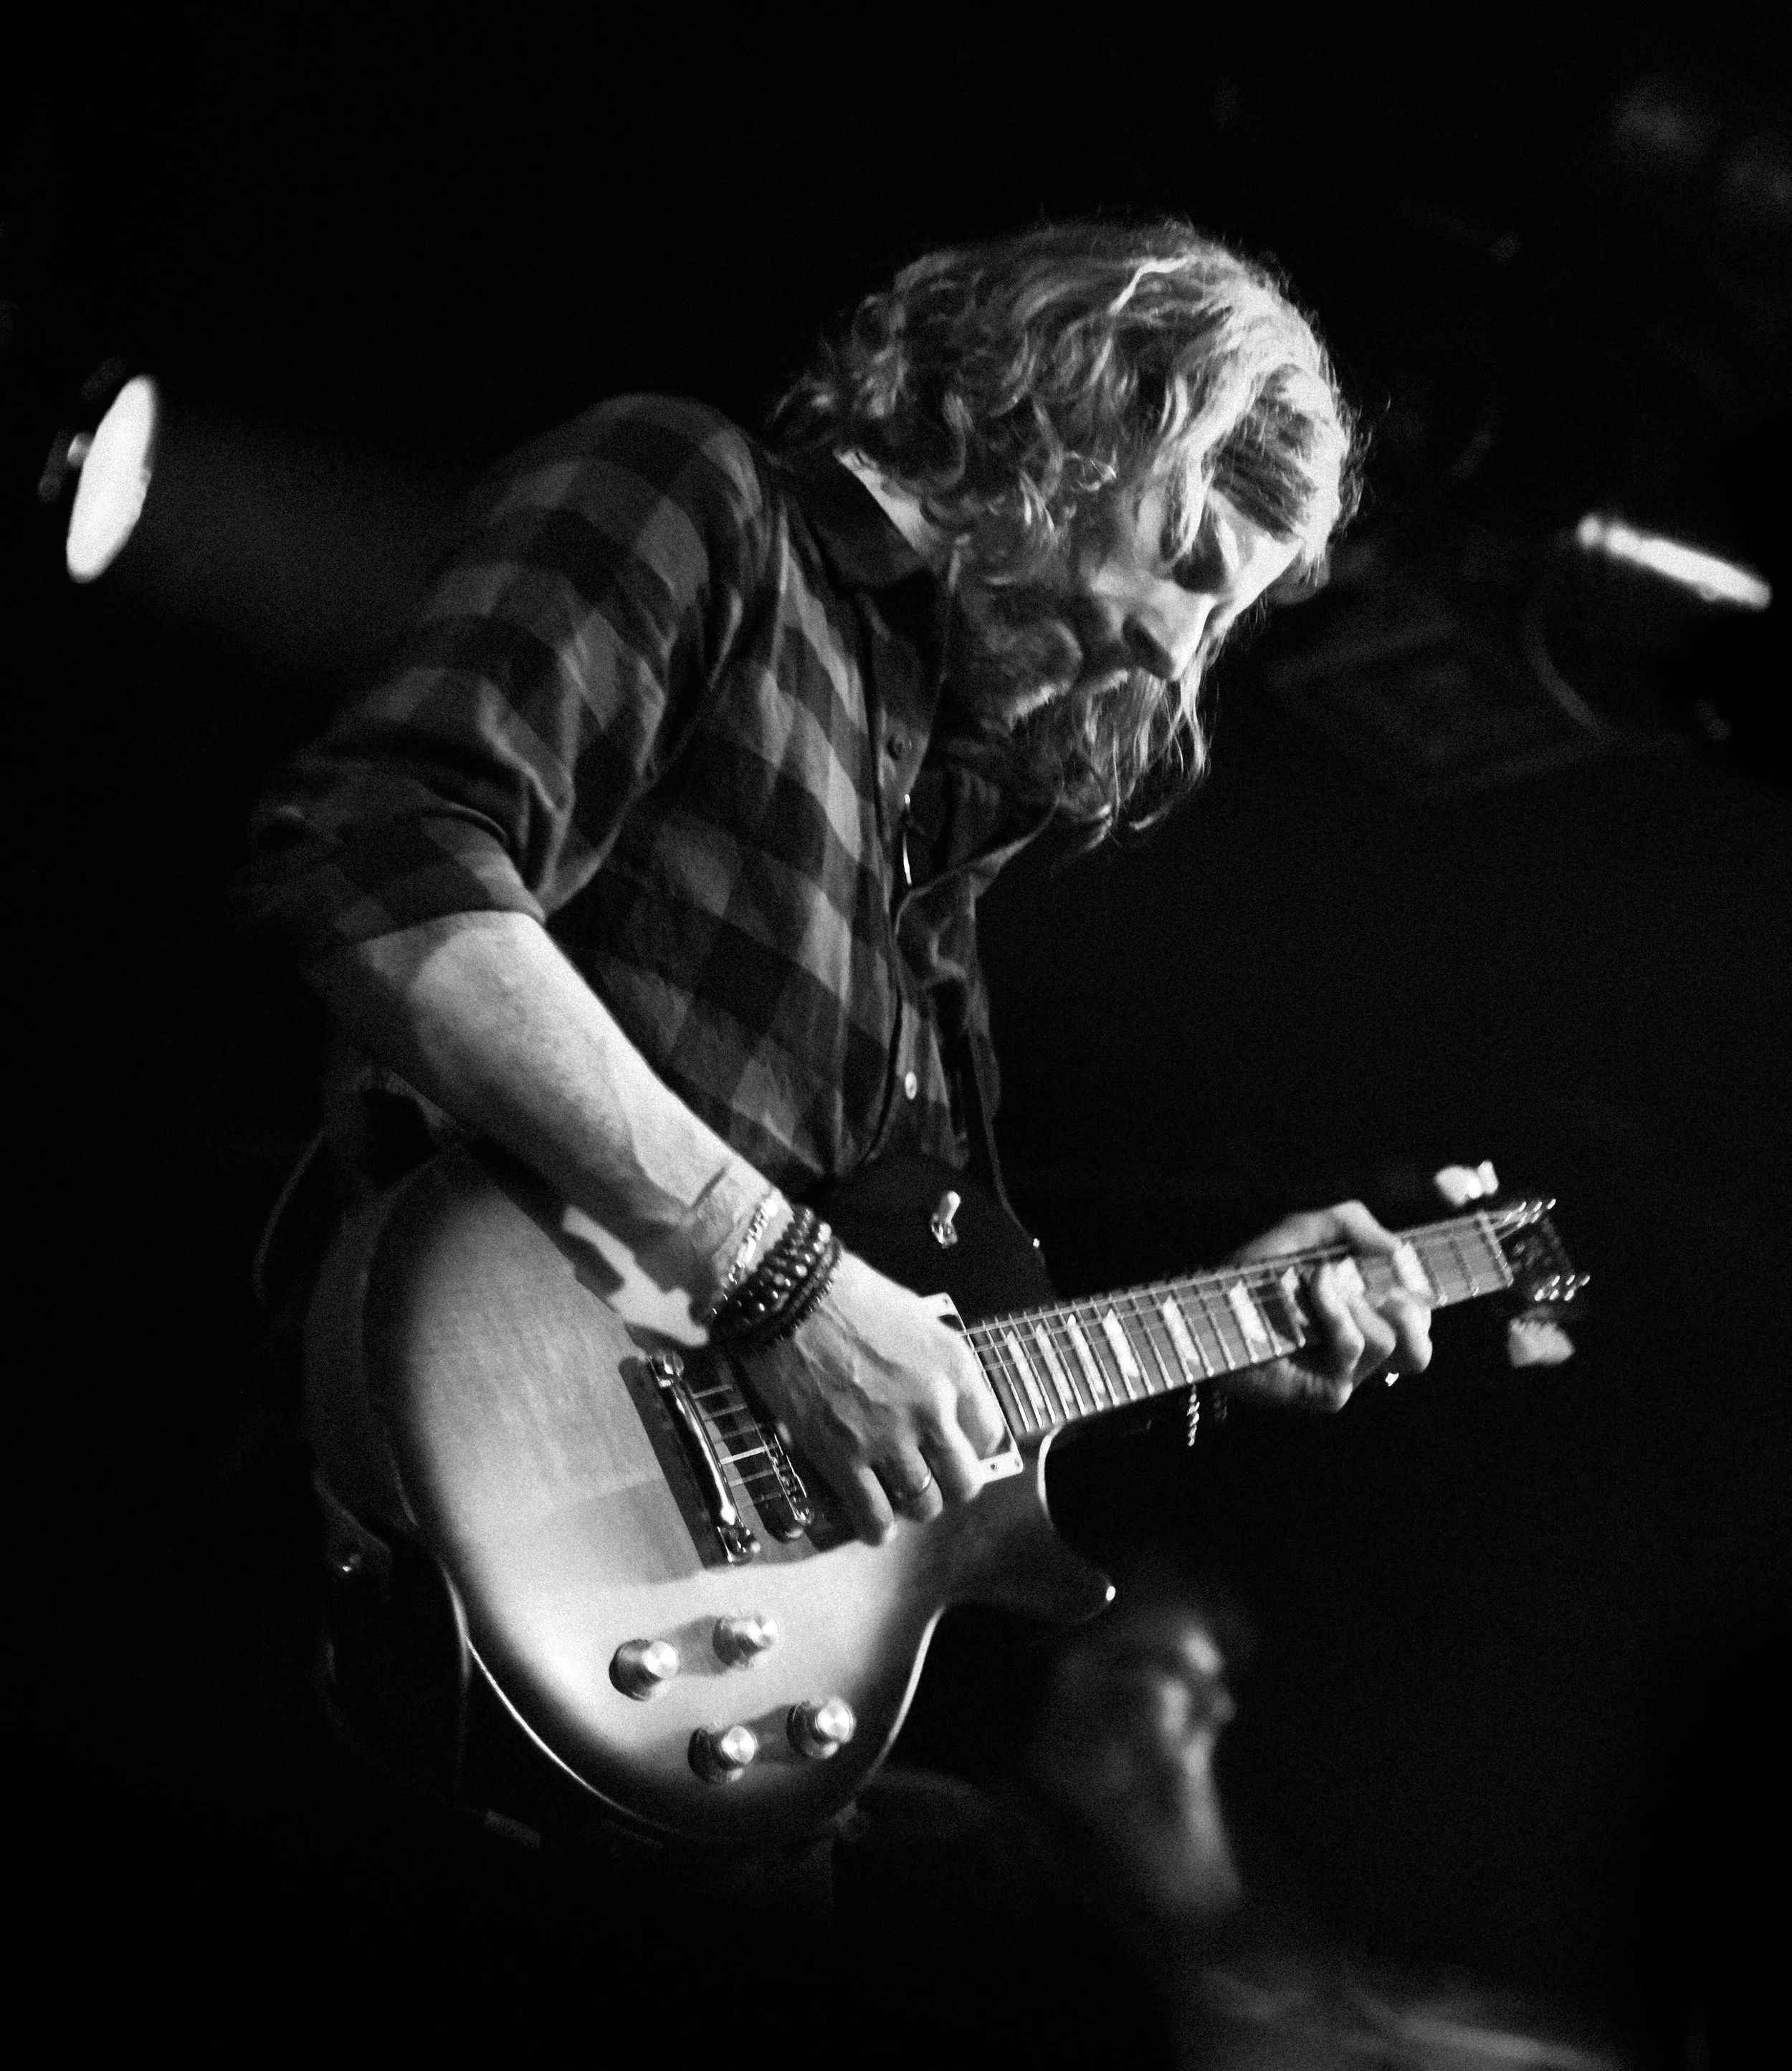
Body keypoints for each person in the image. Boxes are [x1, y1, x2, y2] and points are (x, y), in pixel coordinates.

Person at [240, 218, 1434, 1560]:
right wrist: (773, 1277)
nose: (1170, 659)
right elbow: (379, 851)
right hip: (439, 1460)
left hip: (666, 1616)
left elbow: (903, 1355)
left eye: (1223, 627)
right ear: (1074, 419)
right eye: (1192, 561)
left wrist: (1219, 1332)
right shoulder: (705, 500)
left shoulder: (937, 820)